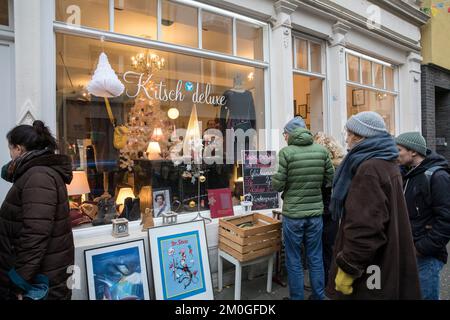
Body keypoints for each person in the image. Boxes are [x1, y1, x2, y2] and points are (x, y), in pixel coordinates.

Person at [326, 111, 421, 300]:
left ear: (358, 136)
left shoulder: (369, 169)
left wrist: (348, 269)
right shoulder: (386, 163)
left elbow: (366, 227)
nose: (346, 139)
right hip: (382, 259)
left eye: (348, 133)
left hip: (372, 266)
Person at [0, 121, 74, 300]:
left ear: (18, 149)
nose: (10, 154)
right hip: (41, 277)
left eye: (10, 148)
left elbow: (35, 234)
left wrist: (20, 282)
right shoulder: (37, 172)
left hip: (38, 284)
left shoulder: (39, 176)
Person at [272, 117, 335, 300]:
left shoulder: (286, 153)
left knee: (294, 259)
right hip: (315, 213)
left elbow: (278, 185)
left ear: (290, 133)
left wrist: (280, 180)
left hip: (293, 215)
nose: (284, 137)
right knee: (315, 256)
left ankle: (297, 297)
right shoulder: (322, 151)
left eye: (285, 134)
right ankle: (319, 296)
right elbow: (330, 178)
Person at [396, 132, 450, 300]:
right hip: (411, 252)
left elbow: (446, 220)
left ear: (413, 152)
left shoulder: (438, 176)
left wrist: (421, 248)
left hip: (427, 257)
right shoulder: (408, 174)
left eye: (398, 150)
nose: (395, 153)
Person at [313, 132, 344, 287]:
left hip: (324, 211)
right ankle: (334, 283)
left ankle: (326, 284)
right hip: (337, 212)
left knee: (322, 250)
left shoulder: (324, 166)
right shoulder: (342, 165)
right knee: (332, 248)